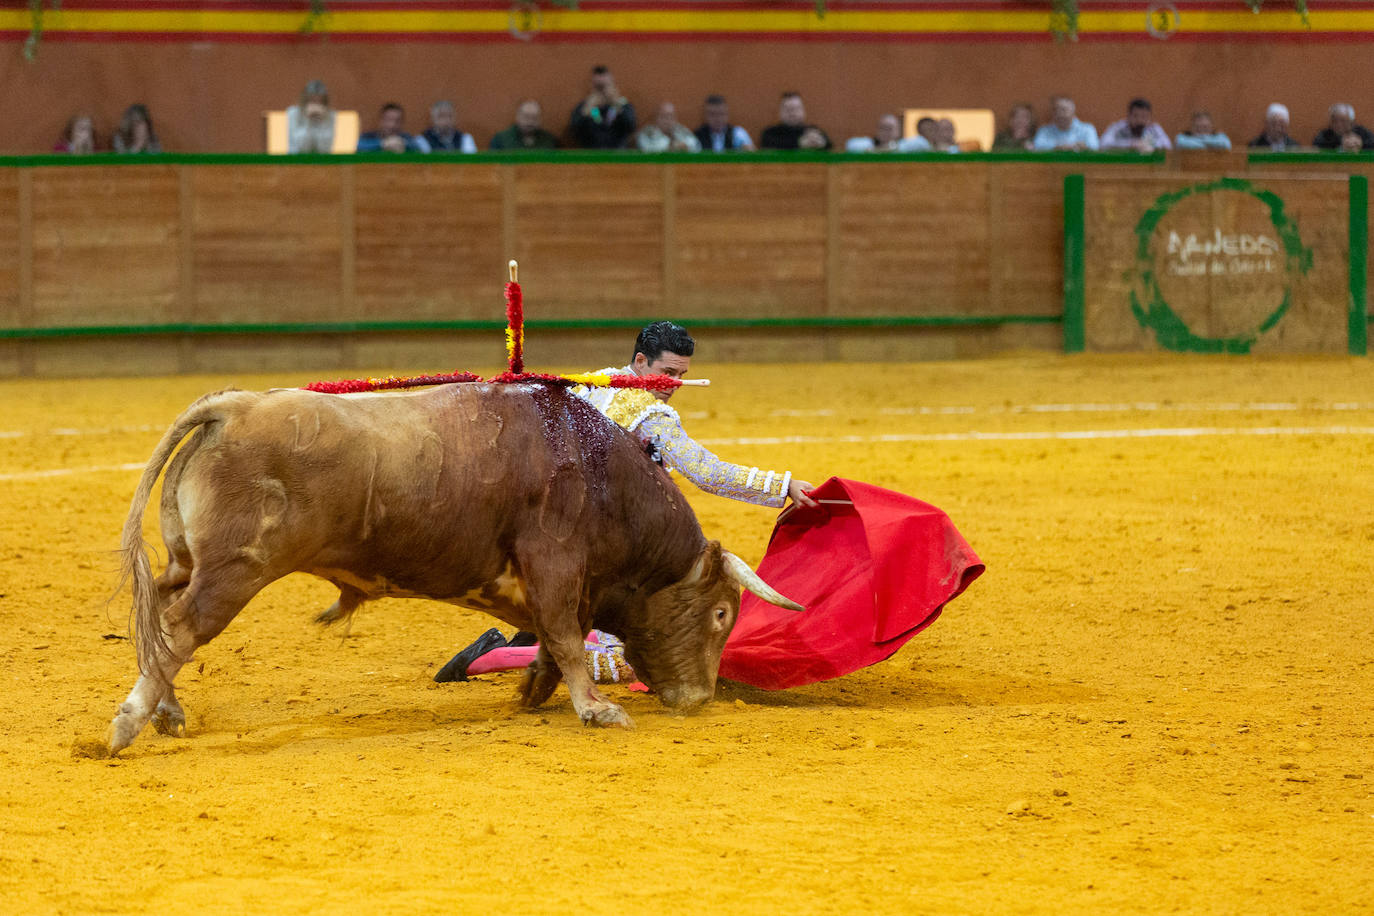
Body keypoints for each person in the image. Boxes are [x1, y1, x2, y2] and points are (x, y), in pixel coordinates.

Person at [435, 321, 818, 683]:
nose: (675, 384)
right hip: (606, 554)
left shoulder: (593, 384)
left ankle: (535, 634)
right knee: (633, 658)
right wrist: (781, 485)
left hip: (560, 533)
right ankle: (494, 657)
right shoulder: (649, 413)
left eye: (682, 375)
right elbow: (705, 472)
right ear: (640, 361)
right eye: (668, 372)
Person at [569, 65, 636, 149]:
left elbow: (631, 126)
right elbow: (574, 130)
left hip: (618, 154)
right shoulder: (584, 107)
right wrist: (588, 108)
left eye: (605, 86)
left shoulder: (623, 105)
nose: (602, 91)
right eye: (598, 87)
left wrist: (616, 103)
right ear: (591, 86)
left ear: (613, 84)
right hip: (591, 155)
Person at [759, 92, 831, 151]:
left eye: (796, 108)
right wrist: (800, 144)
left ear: (803, 110)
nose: (792, 113)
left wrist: (821, 143)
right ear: (780, 112)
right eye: (788, 109)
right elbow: (768, 145)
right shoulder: (770, 133)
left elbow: (830, 146)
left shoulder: (813, 131)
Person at [1099, 98, 1172, 152]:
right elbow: (1103, 144)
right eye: (1135, 116)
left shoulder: (1154, 128)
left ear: (1149, 118)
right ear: (1128, 116)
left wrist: (1149, 144)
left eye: (1144, 117)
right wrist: (1130, 144)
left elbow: (1168, 146)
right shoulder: (1118, 127)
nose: (1139, 120)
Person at [356, 102, 429, 153]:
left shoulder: (406, 137)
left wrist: (403, 144)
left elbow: (419, 148)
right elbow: (356, 146)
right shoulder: (368, 136)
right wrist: (382, 144)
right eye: (388, 120)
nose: (392, 125)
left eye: (397, 121)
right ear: (380, 120)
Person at [489, 99, 560, 151]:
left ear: (540, 119)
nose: (530, 122)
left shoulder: (550, 140)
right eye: (526, 117)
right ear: (517, 117)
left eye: (534, 118)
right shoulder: (500, 139)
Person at [286, 79, 335, 154]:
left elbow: (325, 148)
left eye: (319, 100)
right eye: (312, 99)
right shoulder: (293, 113)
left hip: (321, 162)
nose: (315, 103)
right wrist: (307, 120)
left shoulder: (330, 115)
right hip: (296, 161)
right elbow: (301, 147)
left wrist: (321, 122)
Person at [1032, 96, 1097, 151]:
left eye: (1063, 110)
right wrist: (1059, 146)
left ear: (1073, 111)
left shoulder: (1087, 129)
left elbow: (1094, 147)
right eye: (1055, 110)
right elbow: (1037, 146)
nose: (1059, 113)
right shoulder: (1044, 130)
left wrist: (1083, 147)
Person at [636, 102, 701, 153]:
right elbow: (647, 149)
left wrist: (686, 146)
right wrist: (672, 147)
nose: (668, 120)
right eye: (664, 116)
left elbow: (697, 146)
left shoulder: (681, 130)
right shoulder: (647, 132)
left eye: (671, 116)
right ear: (656, 118)